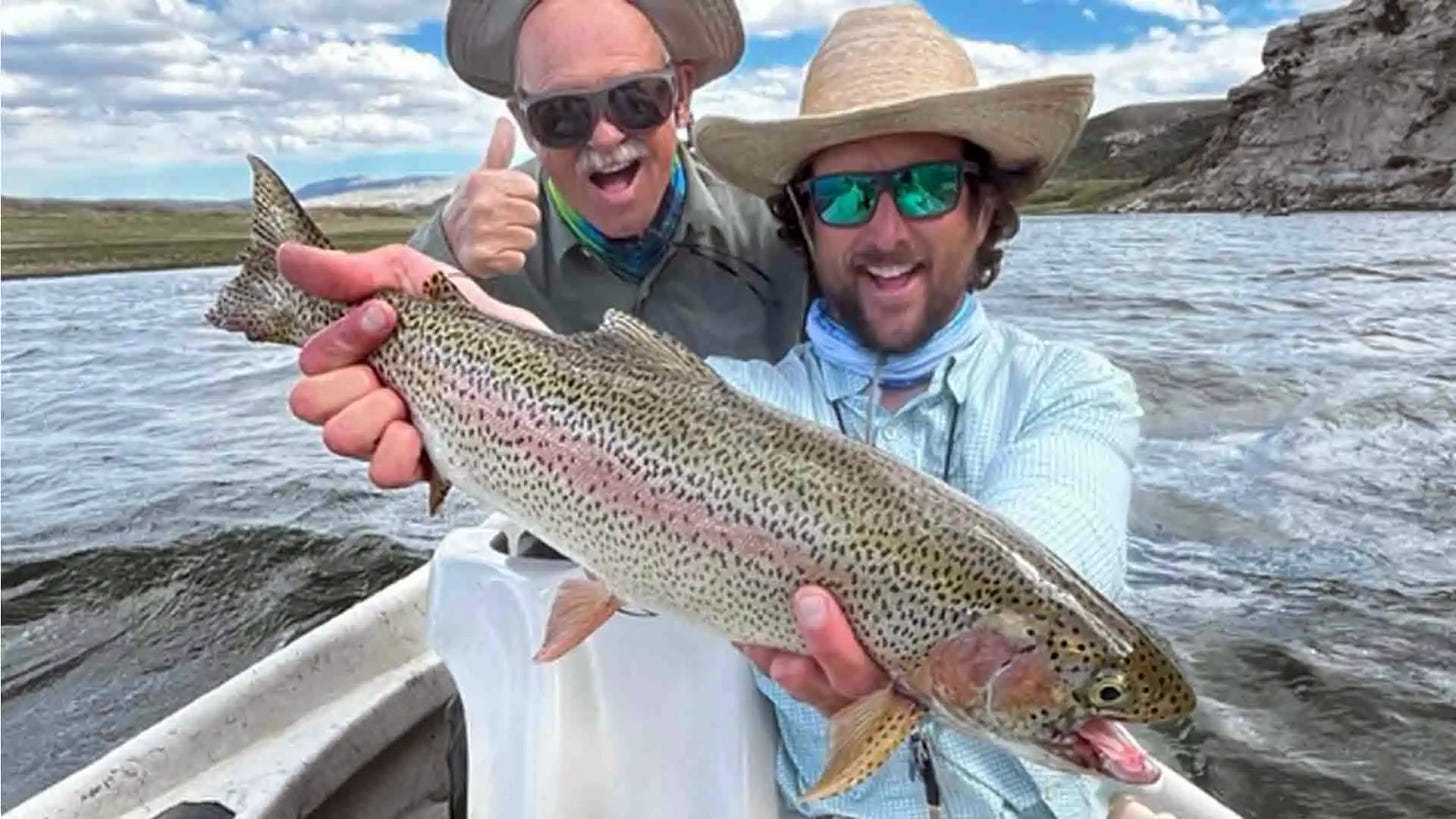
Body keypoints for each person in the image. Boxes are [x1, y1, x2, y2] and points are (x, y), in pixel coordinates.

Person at [274, 3, 1175, 817]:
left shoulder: (1071, 391)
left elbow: (1048, 551)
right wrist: (455, 328)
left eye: (929, 186)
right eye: (847, 196)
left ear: (984, 206)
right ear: (803, 221)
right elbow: (614, 415)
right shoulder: (759, 394)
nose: (889, 229)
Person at [288, 0, 809, 493]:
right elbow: (380, 337)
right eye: (562, 114)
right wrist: (441, 251)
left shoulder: (781, 231)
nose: (605, 137)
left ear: (682, 96)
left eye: (636, 99)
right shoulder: (475, 248)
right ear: (525, 125)